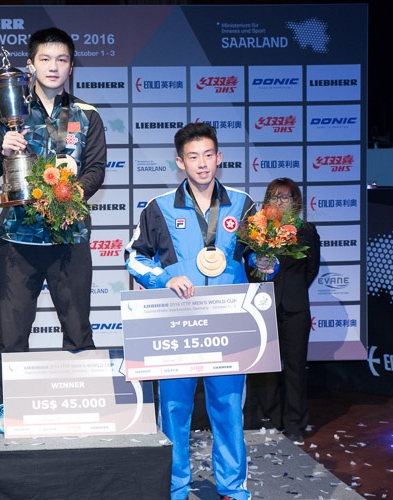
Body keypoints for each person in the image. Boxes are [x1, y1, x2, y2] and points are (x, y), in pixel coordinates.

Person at [125, 123, 273, 500]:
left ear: (219, 157)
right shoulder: (158, 207)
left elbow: (255, 254)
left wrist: (265, 261)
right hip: (176, 323)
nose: (202, 163)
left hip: (229, 323)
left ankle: (232, 487)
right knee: (174, 410)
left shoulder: (243, 204)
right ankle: (174, 487)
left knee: (227, 408)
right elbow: (134, 257)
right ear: (180, 162)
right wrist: (162, 279)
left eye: (209, 155)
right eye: (193, 157)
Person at [0, 27, 106, 432]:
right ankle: (13, 406)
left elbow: (96, 170)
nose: (54, 67)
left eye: (63, 60)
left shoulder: (87, 116)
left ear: (71, 65)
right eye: (46, 59)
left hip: (69, 238)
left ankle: (84, 403)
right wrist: (3, 151)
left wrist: (69, 194)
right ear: (31, 64)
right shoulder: (8, 111)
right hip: (19, 239)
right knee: (14, 331)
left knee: (77, 326)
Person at [246, 178, 320, 446]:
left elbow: (312, 268)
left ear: (295, 201)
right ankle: (268, 420)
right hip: (264, 307)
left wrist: (294, 290)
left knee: (295, 367)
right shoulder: (258, 229)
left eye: (285, 197)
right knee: (266, 367)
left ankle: (294, 423)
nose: (280, 202)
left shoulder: (306, 230)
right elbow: (248, 267)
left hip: (295, 309)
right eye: (275, 197)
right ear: (267, 201)